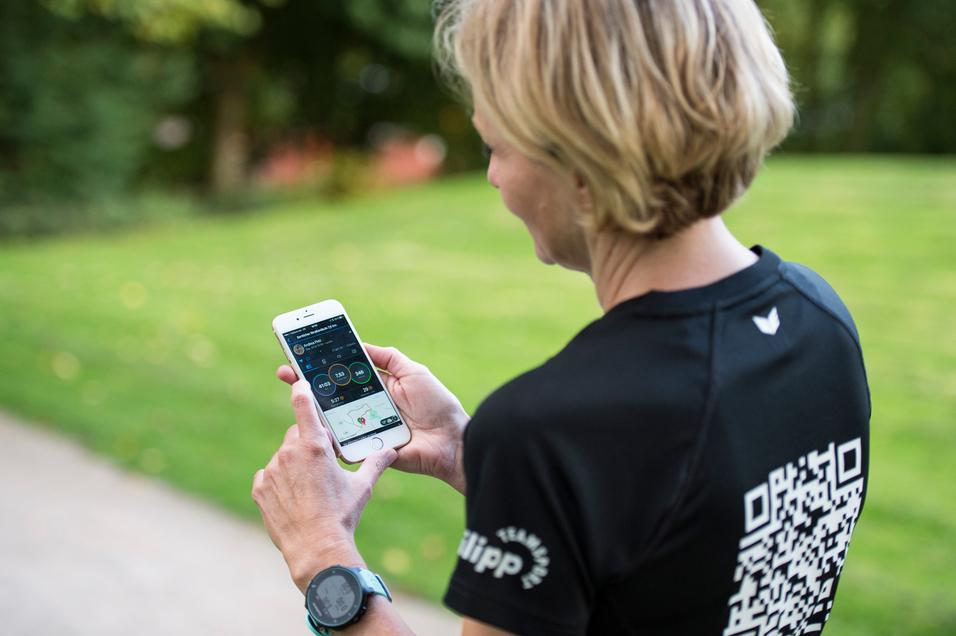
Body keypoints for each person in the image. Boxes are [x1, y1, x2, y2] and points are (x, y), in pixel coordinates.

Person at [251, 0, 871, 634]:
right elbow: (687, 538)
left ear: (581, 163)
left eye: (495, 145)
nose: (493, 177)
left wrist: (322, 556)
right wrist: (475, 454)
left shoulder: (558, 426)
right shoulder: (819, 320)